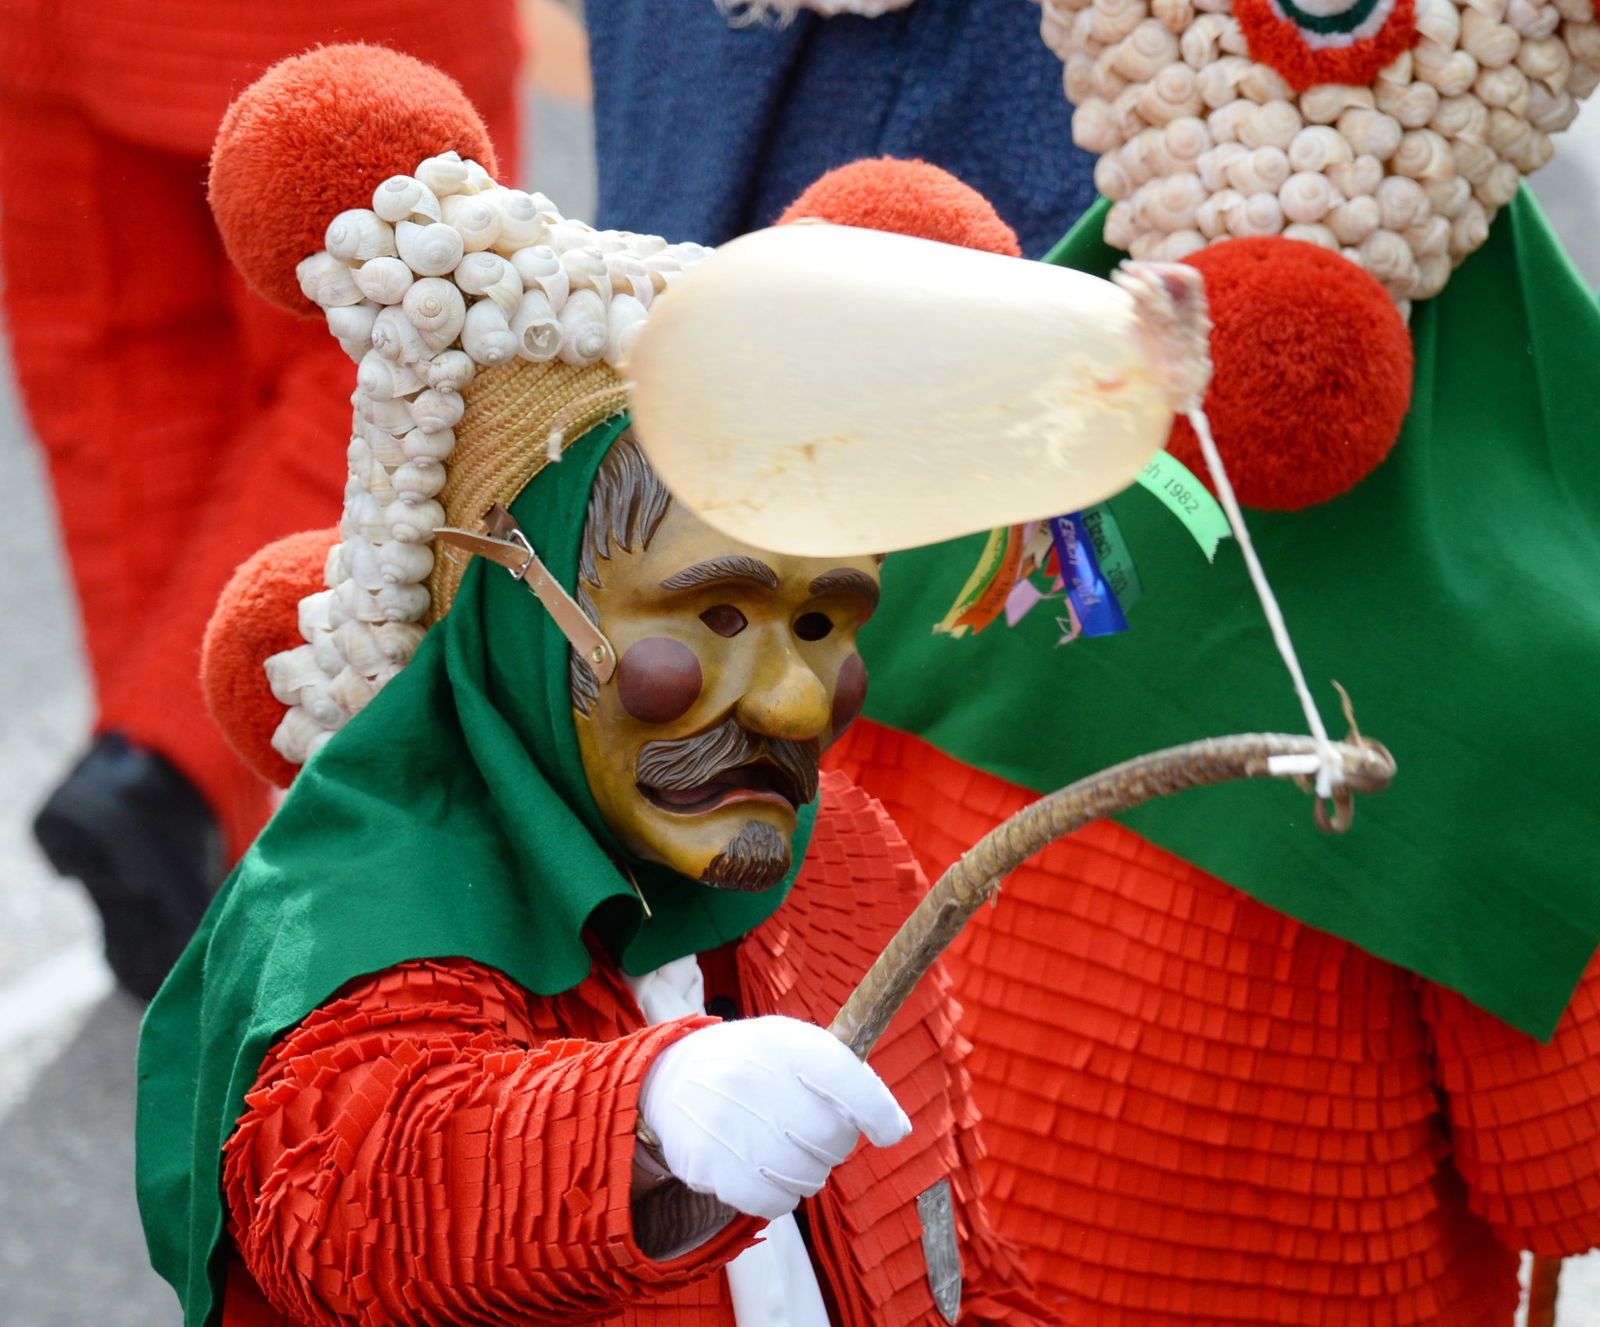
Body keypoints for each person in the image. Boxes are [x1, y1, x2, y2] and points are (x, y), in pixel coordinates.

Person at [136, 46, 1045, 1327]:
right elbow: (347, 1187)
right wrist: (644, 1122)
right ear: (514, 602)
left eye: (823, 619)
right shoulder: (365, 905)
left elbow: (950, 1256)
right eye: (714, 613)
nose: (789, 707)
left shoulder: (843, 860)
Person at [0, 0, 521, 999]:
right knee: (374, 360)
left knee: (119, 381)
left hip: (66, 28)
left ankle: (172, 817)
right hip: (340, 21)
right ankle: (172, 771)